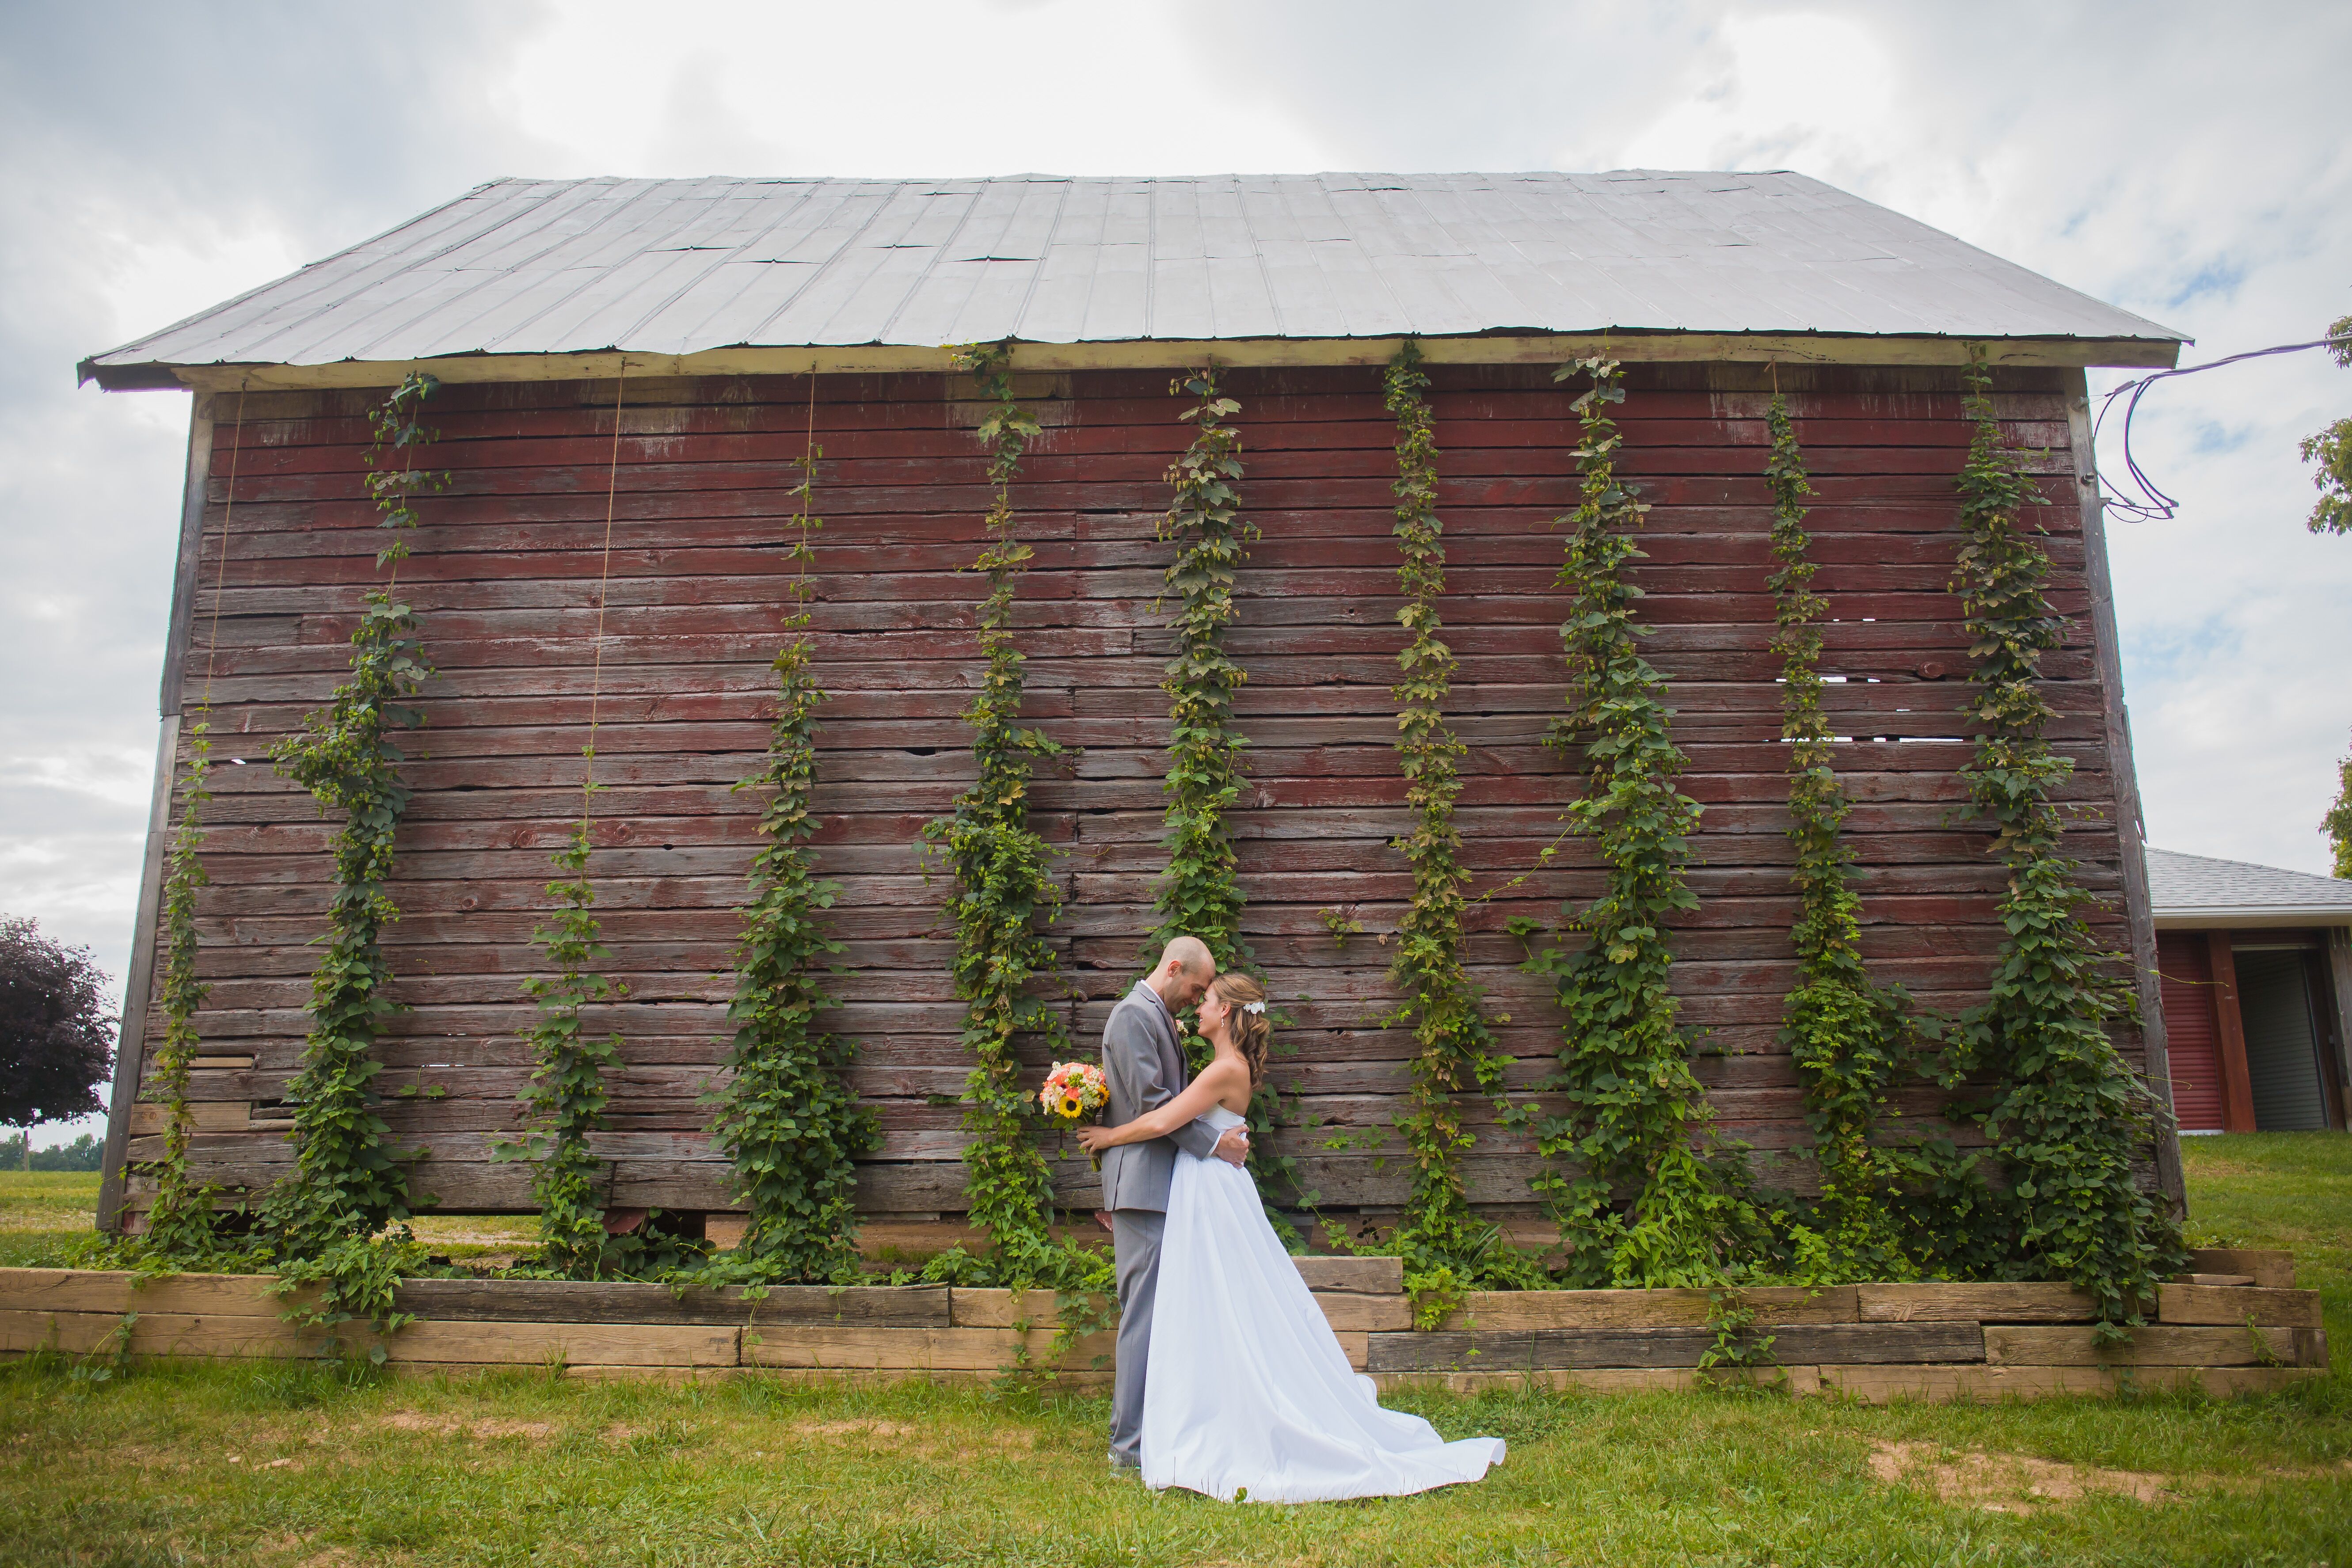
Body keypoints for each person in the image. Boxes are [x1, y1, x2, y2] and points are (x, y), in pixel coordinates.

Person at [1079, 970, 1507, 1504]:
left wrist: (1110, 1135)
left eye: (1208, 1001)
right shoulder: (1226, 1066)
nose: (1199, 1009)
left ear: (1229, 1013)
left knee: (1221, 1300)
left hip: (1209, 1191)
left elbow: (1164, 1119)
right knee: (1216, 1302)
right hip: (1207, 1186)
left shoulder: (1224, 1069)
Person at [1094, 935, 1250, 1474]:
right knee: (1143, 1315)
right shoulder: (1134, 1016)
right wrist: (1216, 1142)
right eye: (1198, 988)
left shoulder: (1156, 1015)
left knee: (1162, 1314)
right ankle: (1128, 1447)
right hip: (1144, 1186)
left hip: (1164, 1185)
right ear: (1175, 967)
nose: (1198, 998)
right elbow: (1154, 1108)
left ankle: (1152, 1433)